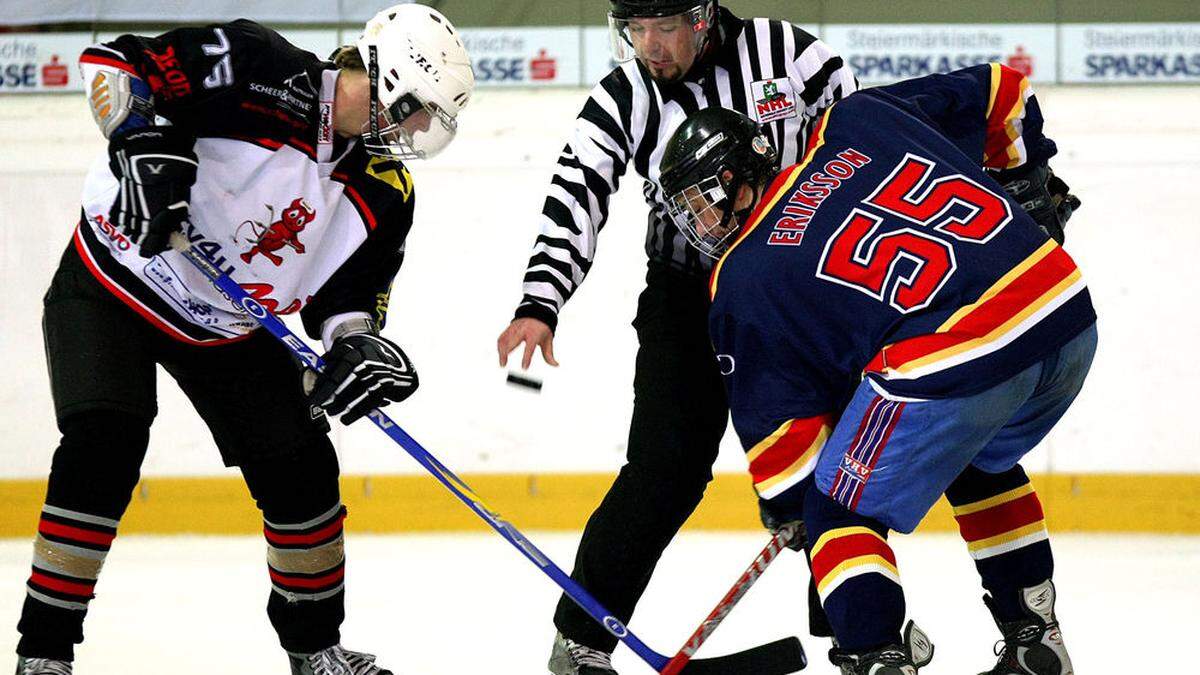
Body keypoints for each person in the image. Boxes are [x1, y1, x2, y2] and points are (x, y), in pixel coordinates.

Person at [14, 5, 473, 674]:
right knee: (104, 443)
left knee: (303, 467)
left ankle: (315, 647)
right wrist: (136, 136)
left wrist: (354, 343)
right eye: (419, 109)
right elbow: (116, 64)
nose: (422, 128)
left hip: (225, 324)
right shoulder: (257, 64)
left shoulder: (387, 190)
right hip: (114, 276)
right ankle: (44, 655)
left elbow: (344, 298)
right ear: (387, 80)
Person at [658, 63, 1090, 675]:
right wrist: (1027, 181)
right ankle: (1036, 641)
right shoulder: (857, 120)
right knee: (972, 457)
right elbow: (1003, 86)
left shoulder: (742, 278)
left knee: (835, 509)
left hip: (958, 355)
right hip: (1064, 312)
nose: (697, 225)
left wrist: (793, 510)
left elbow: (787, 460)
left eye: (700, 203)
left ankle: (877, 658)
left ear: (738, 178)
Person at [492, 2, 856, 672]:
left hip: (799, 288)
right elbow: (578, 189)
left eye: (663, 28)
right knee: (664, 466)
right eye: (636, 29)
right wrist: (541, 300)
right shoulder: (627, 92)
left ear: (703, 16)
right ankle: (581, 642)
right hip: (688, 297)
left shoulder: (789, 54)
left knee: (832, 466)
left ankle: (857, 633)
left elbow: (863, 135)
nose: (649, 46)